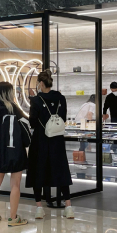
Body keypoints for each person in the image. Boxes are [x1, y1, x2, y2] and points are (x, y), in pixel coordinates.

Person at [26, 70, 74, 219]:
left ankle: (39, 208)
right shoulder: (61, 98)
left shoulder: (36, 100)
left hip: (40, 140)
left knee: (38, 170)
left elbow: (33, 122)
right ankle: (68, 206)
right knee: (61, 170)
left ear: (41, 84)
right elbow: (63, 118)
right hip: (57, 140)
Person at [0, 82, 31, 226]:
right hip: (15, 152)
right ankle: (13, 218)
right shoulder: (15, 111)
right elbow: (26, 133)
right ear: (10, 93)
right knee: (15, 184)